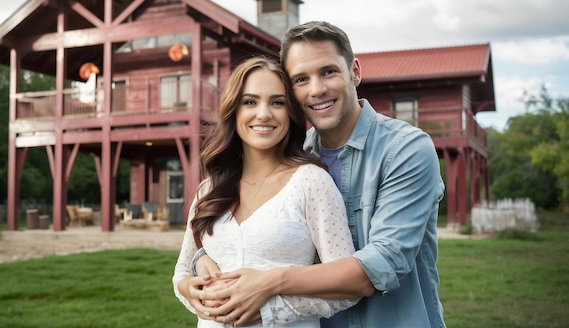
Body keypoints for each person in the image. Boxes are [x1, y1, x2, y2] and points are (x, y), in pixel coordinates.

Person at [182, 22, 447, 328]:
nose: (317, 89)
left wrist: (271, 282)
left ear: (355, 72)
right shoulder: (296, 161)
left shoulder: (405, 149)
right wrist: (199, 257)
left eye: (328, 72)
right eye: (301, 79)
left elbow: (384, 262)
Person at [172, 56, 359, 327]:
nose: (263, 114)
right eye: (250, 102)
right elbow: (182, 270)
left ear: (290, 112)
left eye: (277, 102)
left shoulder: (312, 182)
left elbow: (346, 288)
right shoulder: (209, 189)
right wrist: (189, 288)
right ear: (233, 110)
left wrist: (269, 309)